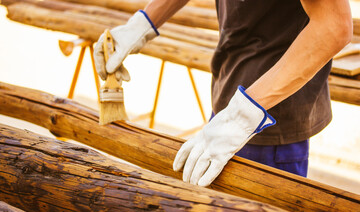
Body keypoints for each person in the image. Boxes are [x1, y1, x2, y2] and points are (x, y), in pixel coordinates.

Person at [94, 0, 352, 187]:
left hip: (266, 118)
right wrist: (142, 24)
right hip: (229, 101)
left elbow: (333, 27)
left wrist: (243, 116)